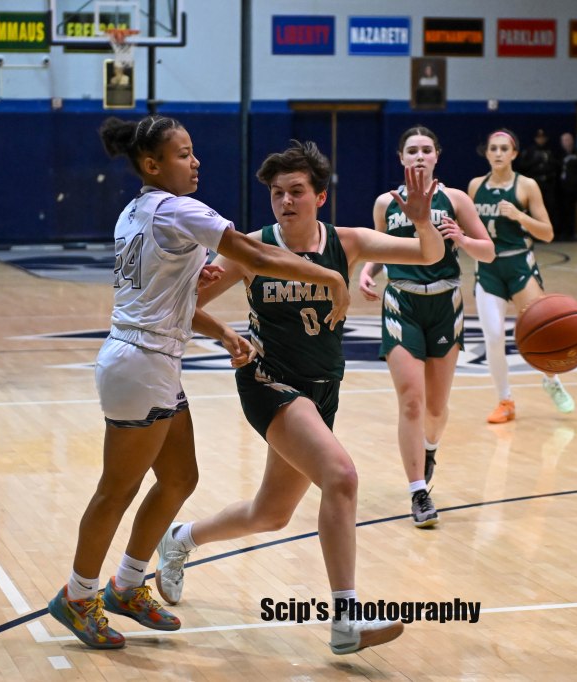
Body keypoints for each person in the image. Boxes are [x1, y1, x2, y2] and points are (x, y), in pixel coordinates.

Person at [47, 116, 353, 650]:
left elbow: (169, 298)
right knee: (116, 490)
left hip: (153, 359)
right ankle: (77, 596)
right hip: (140, 363)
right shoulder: (178, 209)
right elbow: (257, 256)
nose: (195, 162)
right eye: (183, 154)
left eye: (193, 152)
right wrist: (328, 275)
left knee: (179, 478)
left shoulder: (136, 212)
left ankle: (127, 585)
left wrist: (223, 330)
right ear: (152, 165)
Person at [153, 141, 444, 655]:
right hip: (267, 380)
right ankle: (346, 619)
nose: (285, 201)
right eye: (276, 193)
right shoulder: (251, 249)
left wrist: (421, 222)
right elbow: (180, 307)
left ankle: (180, 539)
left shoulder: (347, 243)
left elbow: (429, 255)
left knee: (271, 513)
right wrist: (227, 336)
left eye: (296, 191)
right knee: (342, 476)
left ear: (320, 197)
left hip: (321, 389)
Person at [358, 125, 495, 528]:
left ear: (437, 156)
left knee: (435, 407)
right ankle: (418, 491)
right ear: (401, 158)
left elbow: (488, 251)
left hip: (445, 303)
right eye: (412, 150)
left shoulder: (456, 199)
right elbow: (380, 245)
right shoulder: (386, 202)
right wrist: (368, 270)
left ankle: (430, 448)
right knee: (412, 402)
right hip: (401, 302)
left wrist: (462, 240)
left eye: (426, 150)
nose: (419, 156)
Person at [467, 129, 575, 424]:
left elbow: (548, 233)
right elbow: (469, 228)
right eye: (493, 148)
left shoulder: (526, 185)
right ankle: (505, 401)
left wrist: (519, 216)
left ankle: (552, 381)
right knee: (493, 337)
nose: (498, 153)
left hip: (519, 267)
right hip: (488, 268)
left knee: (542, 330)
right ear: (487, 153)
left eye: (504, 148)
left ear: (514, 153)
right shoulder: (475, 186)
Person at [514, 128, 561, 233]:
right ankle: (533, 232)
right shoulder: (529, 150)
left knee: (551, 207)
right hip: (535, 182)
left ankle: (553, 232)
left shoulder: (550, 150)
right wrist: (535, 161)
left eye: (543, 138)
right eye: (539, 138)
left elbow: (558, 166)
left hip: (548, 183)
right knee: (532, 208)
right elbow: (521, 166)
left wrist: (549, 161)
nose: (541, 140)